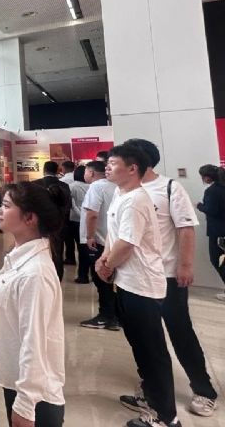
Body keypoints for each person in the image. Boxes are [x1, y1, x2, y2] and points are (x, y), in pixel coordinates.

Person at [116, 140, 218, 418]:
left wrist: (185, 266)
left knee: (180, 331)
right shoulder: (123, 190)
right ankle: (152, 392)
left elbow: (186, 228)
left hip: (167, 275)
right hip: (133, 279)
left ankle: (204, 390)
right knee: (144, 339)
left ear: (138, 162)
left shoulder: (169, 188)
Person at [96, 145, 180, 427]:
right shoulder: (121, 194)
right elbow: (115, 236)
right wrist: (105, 258)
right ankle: (150, 398)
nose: (107, 167)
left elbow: (127, 243)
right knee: (140, 347)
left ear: (132, 168)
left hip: (142, 285)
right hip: (127, 281)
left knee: (152, 352)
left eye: (113, 163)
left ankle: (166, 416)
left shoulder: (135, 200)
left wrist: (107, 265)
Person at [0, 182, 65, 427]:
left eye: (6, 206)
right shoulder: (21, 257)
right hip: (18, 379)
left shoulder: (34, 274)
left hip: (36, 397)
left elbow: (33, 340)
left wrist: (26, 403)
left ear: (29, 218)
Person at [79, 161, 119, 330]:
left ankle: (107, 316)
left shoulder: (97, 187)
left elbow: (92, 214)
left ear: (92, 173)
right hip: (112, 241)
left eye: (86, 171)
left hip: (98, 240)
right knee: (111, 279)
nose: (84, 175)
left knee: (101, 279)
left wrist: (89, 236)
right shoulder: (115, 185)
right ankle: (116, 315)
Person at [34, 161, 72, 276]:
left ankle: (41, 277)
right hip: (59, 224)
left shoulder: (35, 185)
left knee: (38, 252)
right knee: (57, 253)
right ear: (57, 171)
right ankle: (57, 278)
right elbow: (68, 206)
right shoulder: (64, 186)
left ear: (44, 170)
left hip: (38, 225)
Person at [198, 164, 225, 299]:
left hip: (218, 232)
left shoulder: (212, 191)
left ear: (207, 177)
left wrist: (199, 206)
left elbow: (211, 210)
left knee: (216, 260)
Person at [68, 165, 90, 282]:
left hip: (75, 220)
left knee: (80, 248)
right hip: (89, 220)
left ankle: (82, 275)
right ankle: (89, 273)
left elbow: (71, 204)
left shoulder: (72, 186)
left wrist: (80, 214)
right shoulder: (92, 186)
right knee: (87, 248)